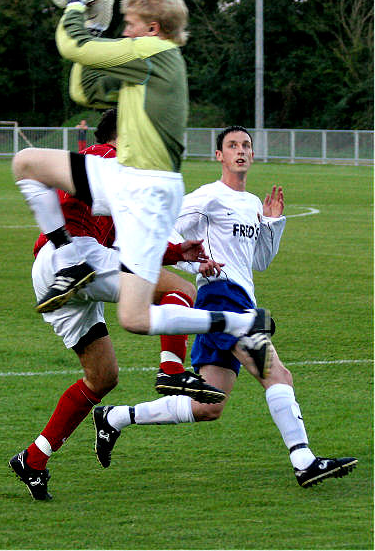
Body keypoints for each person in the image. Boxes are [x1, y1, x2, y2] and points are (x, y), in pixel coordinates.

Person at [12, 0, 274, 388]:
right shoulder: (148, 65)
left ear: (152, 27)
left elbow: (70, 44)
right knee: (27, 164)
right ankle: (70, 258)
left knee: (134, 318)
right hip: (128, 179)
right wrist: (93, 34)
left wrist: (78, 5)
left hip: (146, 189)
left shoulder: (155, 52)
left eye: (130, 24)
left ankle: (235, 322)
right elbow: (85, 90)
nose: (126, 32)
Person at [92, 125, 358, 489]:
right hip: (221, 297)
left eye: (246, 145)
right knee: (276, 374)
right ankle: (304, 461)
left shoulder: (249, 203)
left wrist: (273, 222)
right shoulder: (208, 197)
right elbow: (162, 229)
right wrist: (194, 264)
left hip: (241, 298)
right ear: (219, 155)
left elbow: (260, 260)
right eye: (232, 145)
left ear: (253, 153)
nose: (241, 150)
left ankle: (115, 417)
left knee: (208, 406)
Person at [9, 109, 225, 501]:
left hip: (59, 275)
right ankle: (171, 371)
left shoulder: (103, 173)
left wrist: (178, 251)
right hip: (74, 257)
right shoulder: (108, 160)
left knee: (103, 377)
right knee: (180, 291)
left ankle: (34, 458)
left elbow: (133, 250)